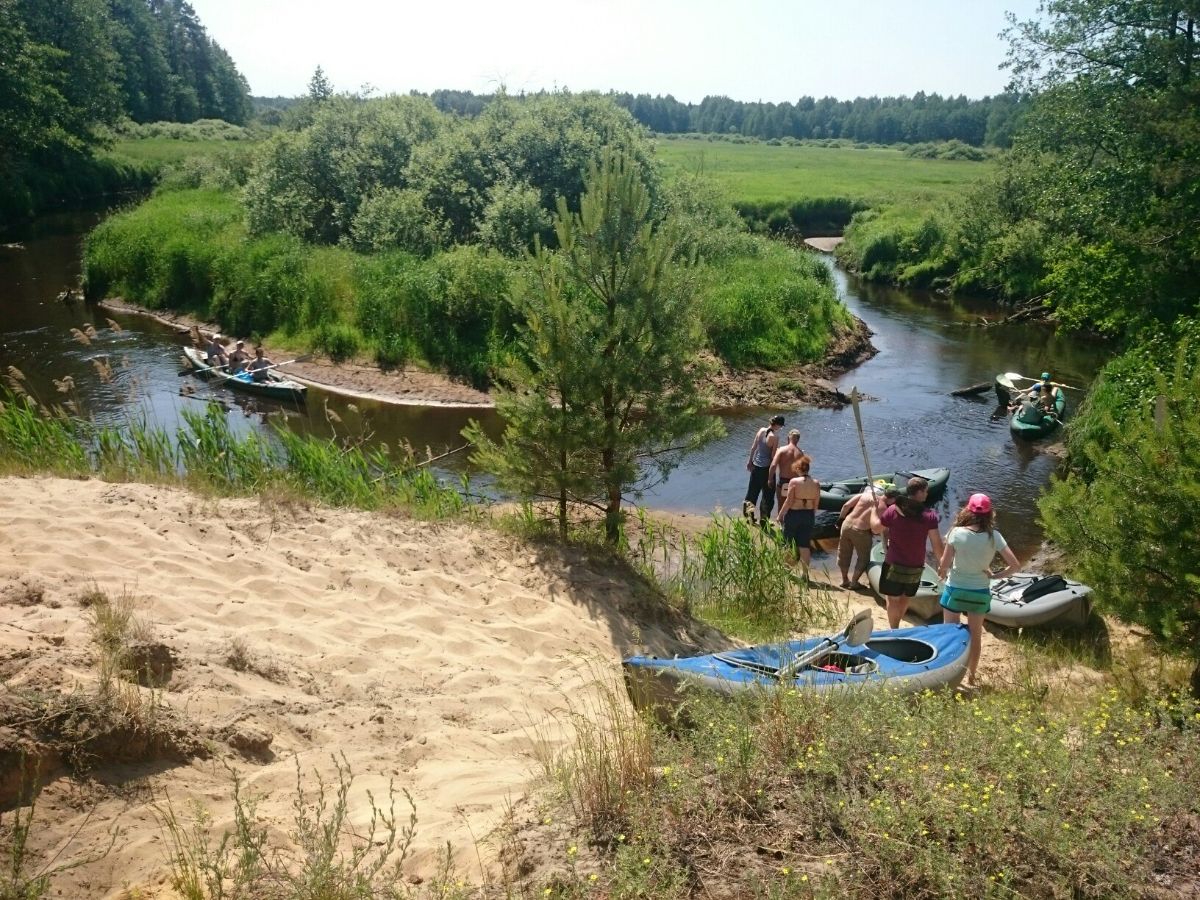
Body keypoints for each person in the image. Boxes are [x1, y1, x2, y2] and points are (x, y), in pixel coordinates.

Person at [937, 493, 1020, 686]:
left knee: (950, 633)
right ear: (990, 513)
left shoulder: (956, 533)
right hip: (979, 592)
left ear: (968, 510)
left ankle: (950, 674)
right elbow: (1015, 566)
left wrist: (942, 570)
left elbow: (945, 563)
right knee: (975, 635)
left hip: (955, 589)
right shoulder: (995, 537)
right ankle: (971, 677)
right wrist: (994, 576)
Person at [878, 476, 945, 629]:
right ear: (920, 492)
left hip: (893, 563)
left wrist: (873, 512)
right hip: (915, 565)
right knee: (905, 598)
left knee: (892, 598)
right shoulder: (929, 516)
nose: (927, 494)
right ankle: (896, 625)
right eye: (926, 491)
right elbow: (936, 544)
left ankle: (893, 627)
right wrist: (942, 564)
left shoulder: (893, 510)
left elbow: (876, 529)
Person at [776, 455, 820, 573]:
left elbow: (788, 501)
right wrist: (811, 515)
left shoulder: (794, 482)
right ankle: (805, 574)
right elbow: (816, 504)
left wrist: (780, 515)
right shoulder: (816, 483)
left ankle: (786, 570)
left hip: (794, 515)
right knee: (804, 545)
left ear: (798, 469)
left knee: (788, 543)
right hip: (809, 515)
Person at [836, 486, 884, 589]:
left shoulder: (862, 495)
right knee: (864, 557)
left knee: (843, 553)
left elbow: (846, 506)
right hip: (861, 530)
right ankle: (854, 582)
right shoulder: (879, 503)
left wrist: (840, 520)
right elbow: (876, 526)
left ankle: (844, 580)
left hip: (847, 524)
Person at [744, 415, 784, 523]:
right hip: (766, 469)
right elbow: (772, 457)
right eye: (781, 426)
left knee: (752, 493)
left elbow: (754, 447)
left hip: (756, 467)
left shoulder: (761, 430)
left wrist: (750, 461)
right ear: (778, 425)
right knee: (768, 496)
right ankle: (764, 520)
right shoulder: (775, 437)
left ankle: (749, 518)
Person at [768, 429, 803, 521]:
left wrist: (770, 479)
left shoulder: (781, 450)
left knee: (781, 504)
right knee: (792, 505)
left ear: (788, 438)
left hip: (783, 482)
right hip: (796, 483)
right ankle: (791, 524)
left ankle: (781, 524)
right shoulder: (800, 453)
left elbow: (773, 465)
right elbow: (804, 472)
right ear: (798, 440)